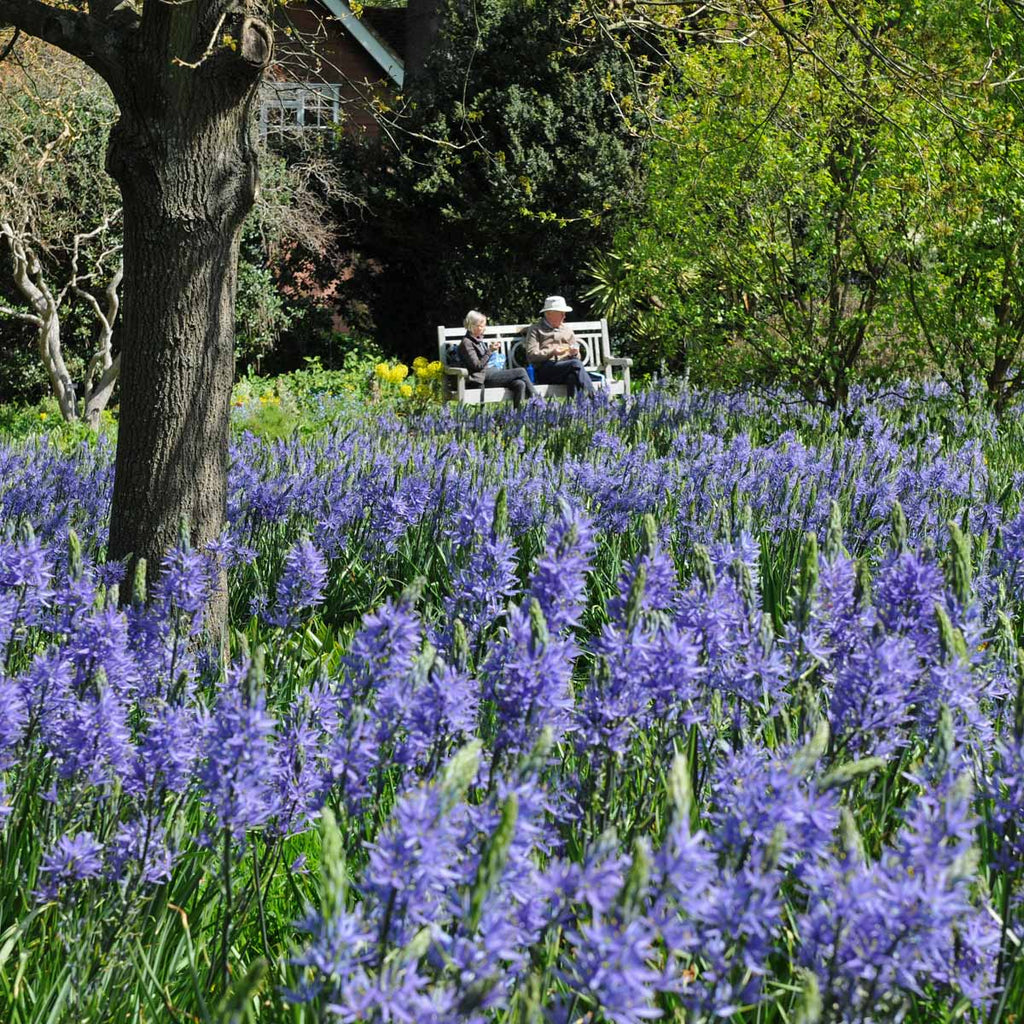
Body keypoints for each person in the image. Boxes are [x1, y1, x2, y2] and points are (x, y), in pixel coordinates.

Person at [458, 310, 538, 408]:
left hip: (490, 374)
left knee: (519, 384)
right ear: (472, 326)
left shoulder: (477, 340)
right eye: (481, 326)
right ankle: (538, 402)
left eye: (484, 326)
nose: (484, 329)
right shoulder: (467, 343)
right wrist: (490, 351)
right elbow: (477, 366)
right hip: (480, 379)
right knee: (521, 371)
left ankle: (518, 417)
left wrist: (490, 352)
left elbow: (484, 360)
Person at [524, 295, 595, 398]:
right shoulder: (535, 329)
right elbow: (531, 355)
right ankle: (595, 398)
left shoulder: (567, 330)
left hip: (566, 368)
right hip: (545, 369)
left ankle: (572, 410)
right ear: (549, 314)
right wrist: (552, 352)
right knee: (575, 364)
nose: (564, 316)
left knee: (573, 377)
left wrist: (575, 353)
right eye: (561, 313)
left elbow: (577, 356)